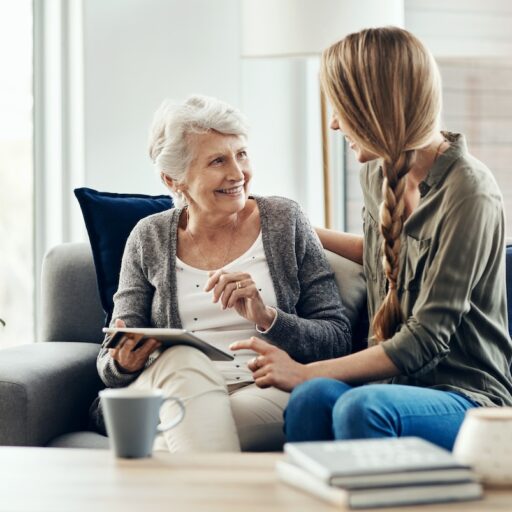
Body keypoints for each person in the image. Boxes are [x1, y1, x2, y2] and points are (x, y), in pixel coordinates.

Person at [230, 27, 512, 450]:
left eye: (341, 108)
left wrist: (306, 369)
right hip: (386, 384)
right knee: (311, 400)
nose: (332, 123)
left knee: (359, 408)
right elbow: (380, 251)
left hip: (466, 397)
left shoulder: (469, 190)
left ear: (376, 107)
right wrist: (286, 224)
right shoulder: (375, 173)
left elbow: (425, 340)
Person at [92, 95, 351, 453]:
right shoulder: (147, 237)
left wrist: (268, 317)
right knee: (182, 360)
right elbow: (111, 355)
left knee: (177, 434)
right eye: (218, 161)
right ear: (174, 180)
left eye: (241, 154)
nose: (237, 173)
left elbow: (338, 338)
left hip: (259, 389)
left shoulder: (285, 220)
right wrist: (122, 361)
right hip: (170, 385)